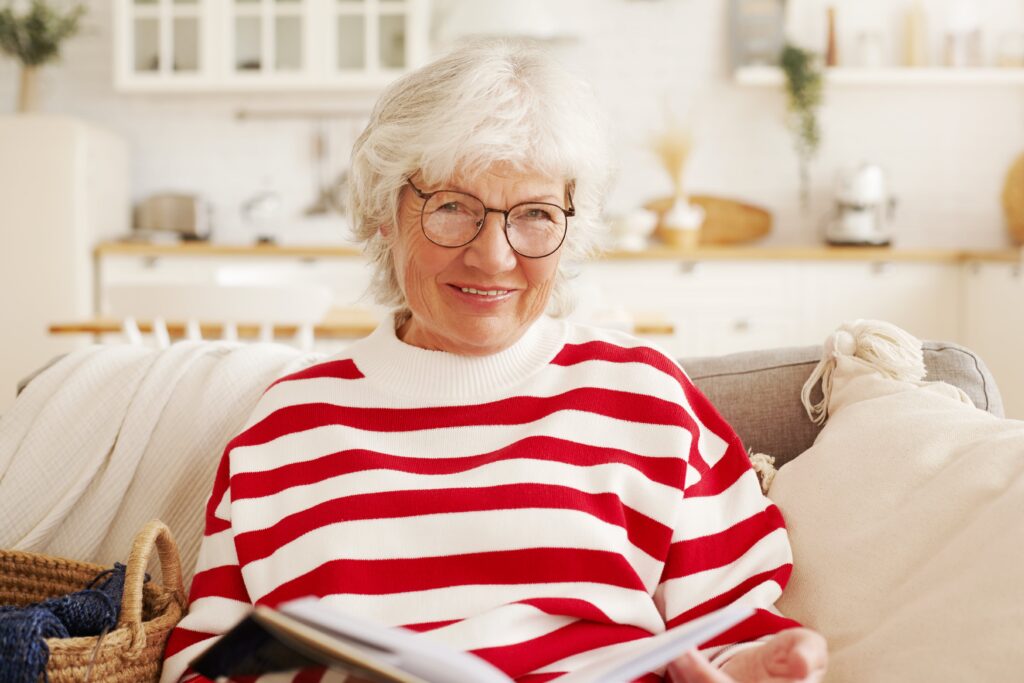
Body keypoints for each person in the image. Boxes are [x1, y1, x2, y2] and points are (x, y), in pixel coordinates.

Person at [160, 40, 827, 683]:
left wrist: (750, 668)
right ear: (384, 214)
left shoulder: (644, 395)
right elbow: (201, 662)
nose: (495, 255)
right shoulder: (286, 425)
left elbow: (738, 625)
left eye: (535, 214)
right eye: (453, 207)